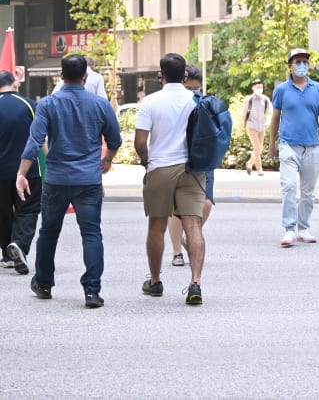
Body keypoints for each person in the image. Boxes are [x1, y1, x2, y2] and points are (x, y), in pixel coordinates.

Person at [16, 54, 122, 309]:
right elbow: (115, 139)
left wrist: (22, 173)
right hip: (88, 179)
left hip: (56, 179)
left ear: (60, 76)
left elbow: (34, 142)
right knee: (91, 233)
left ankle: (43, 283)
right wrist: (106, 159)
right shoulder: (100, 104)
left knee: (49, 232)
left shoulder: (49, 104)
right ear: (86, 76)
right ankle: (92, 291)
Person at [135, 53, 207, 305]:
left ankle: (155, 282)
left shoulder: (150, 102)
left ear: (160, 75)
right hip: (192, 170)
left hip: (160, 168)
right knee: (193, 225)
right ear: (185, 75)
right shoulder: (196, 100)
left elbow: (141, 143)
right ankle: (195, 282)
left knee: (157, 226)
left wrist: (148, 163)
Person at [268, 48, 319, 247]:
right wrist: (271, 145)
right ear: (290, 66)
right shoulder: (281, 90)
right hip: (288, 145)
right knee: (289, 187)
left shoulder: (318, 88)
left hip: (312, 146)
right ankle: (289, 229)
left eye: (304, 62)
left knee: (308, 192)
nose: (301, 65)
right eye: (297, 62)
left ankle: (303, 228)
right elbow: (274, 119)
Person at [167, 65, 214, 267]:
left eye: (197, 89)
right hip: (177, 159)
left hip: (203, 160)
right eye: (189, 88)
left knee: (207, 203)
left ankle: (189, 238)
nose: (194, 93)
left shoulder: (204, 103)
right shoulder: (171, 103)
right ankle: (177, 251)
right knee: (176, 209)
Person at [0, 70, 40, 274]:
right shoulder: (30, 105)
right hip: (28, 171)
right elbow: (43, 139)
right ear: (14, 83)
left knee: (3, 212)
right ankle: (19, 245)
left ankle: (7, 256)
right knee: (28, 210)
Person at [242, 78, 270, 176]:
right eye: (257, 87)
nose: (260, 89)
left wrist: (268, 121)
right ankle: (259, 169)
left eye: (261, 87)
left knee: (260, 148)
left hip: (261, 126)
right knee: (257, 147)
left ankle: (249, 163)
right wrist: (241, 128)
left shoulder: (266, 100)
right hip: (251, 125)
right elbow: (244, 114)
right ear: (253, 88)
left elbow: (269, 113)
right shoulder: (249, 100)